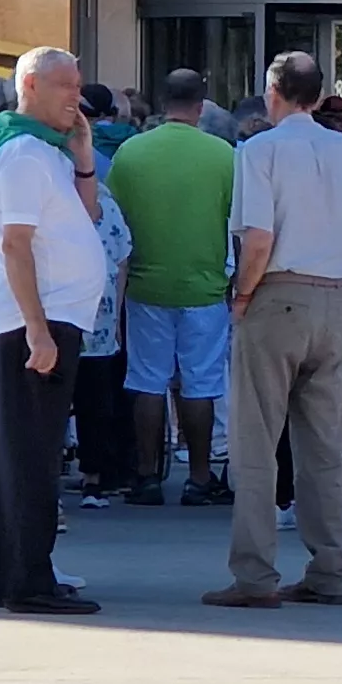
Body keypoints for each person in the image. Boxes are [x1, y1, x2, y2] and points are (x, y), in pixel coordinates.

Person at [213, 52, 342, 608]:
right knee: (323, 445)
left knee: (257, 440)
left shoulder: (258, 150)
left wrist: (242, 296)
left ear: (272, 93)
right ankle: (329, 570)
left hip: (276, 292)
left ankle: (254, 575)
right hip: (334, 299)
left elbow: (256, 240)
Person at [0, 49, 111, 616]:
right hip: (37, 321)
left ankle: (6, 568)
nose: (75, 96)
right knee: (30, 455)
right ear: (29, 84)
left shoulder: (43, 149)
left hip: (47, 317)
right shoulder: (23, 151)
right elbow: (13, 244)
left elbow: (85, 216)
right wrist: (38, 330)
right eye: (63, 85)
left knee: (16, 450)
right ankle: (26, 580)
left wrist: (83, 158)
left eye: (78, 85)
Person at [109, 69, 238, 508]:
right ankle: (199, 477)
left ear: (163, 103)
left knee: (147, 379)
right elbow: (237, 223)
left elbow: (115, 219)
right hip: (205, 285)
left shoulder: (131, 153)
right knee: (200, 383)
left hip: (146, 282)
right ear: (201, 106)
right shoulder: (223, 155)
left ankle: (147, 475)